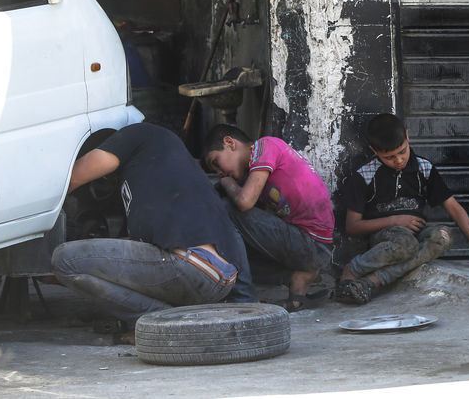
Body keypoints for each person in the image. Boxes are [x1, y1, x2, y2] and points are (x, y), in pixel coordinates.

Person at [51, 123, 255, 336]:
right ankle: (174, 318)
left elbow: (70, 179)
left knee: (65, 259)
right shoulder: (157, 173)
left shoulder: (139, 135)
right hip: (216, 278)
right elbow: (133, 253)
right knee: (82, 262)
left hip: (192, 263)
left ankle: (160, 321)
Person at [334, 114, 469, 305]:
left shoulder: (424, 168)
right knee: (406, 244)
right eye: (389, 157)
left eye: (403, 151)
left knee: (442, 236)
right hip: (386, 238)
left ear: (407, 136)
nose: (398, 160)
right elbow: (353, 227)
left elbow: (454, 208)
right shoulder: (365, 175)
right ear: (374, 151)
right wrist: (396, 221)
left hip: (415, 236)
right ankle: (352, 270)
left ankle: (371, 282)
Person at [202, 124, 335, 311]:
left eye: (216, 162)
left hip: (312, 244)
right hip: (310, 247)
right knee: (231, 253)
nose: (220, 172)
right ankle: (297, 288)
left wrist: (225, 182)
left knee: (228, 209)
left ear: (230, 143)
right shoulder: (255, 170)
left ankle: (245, 298)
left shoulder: (265, 146)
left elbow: (244, 202)